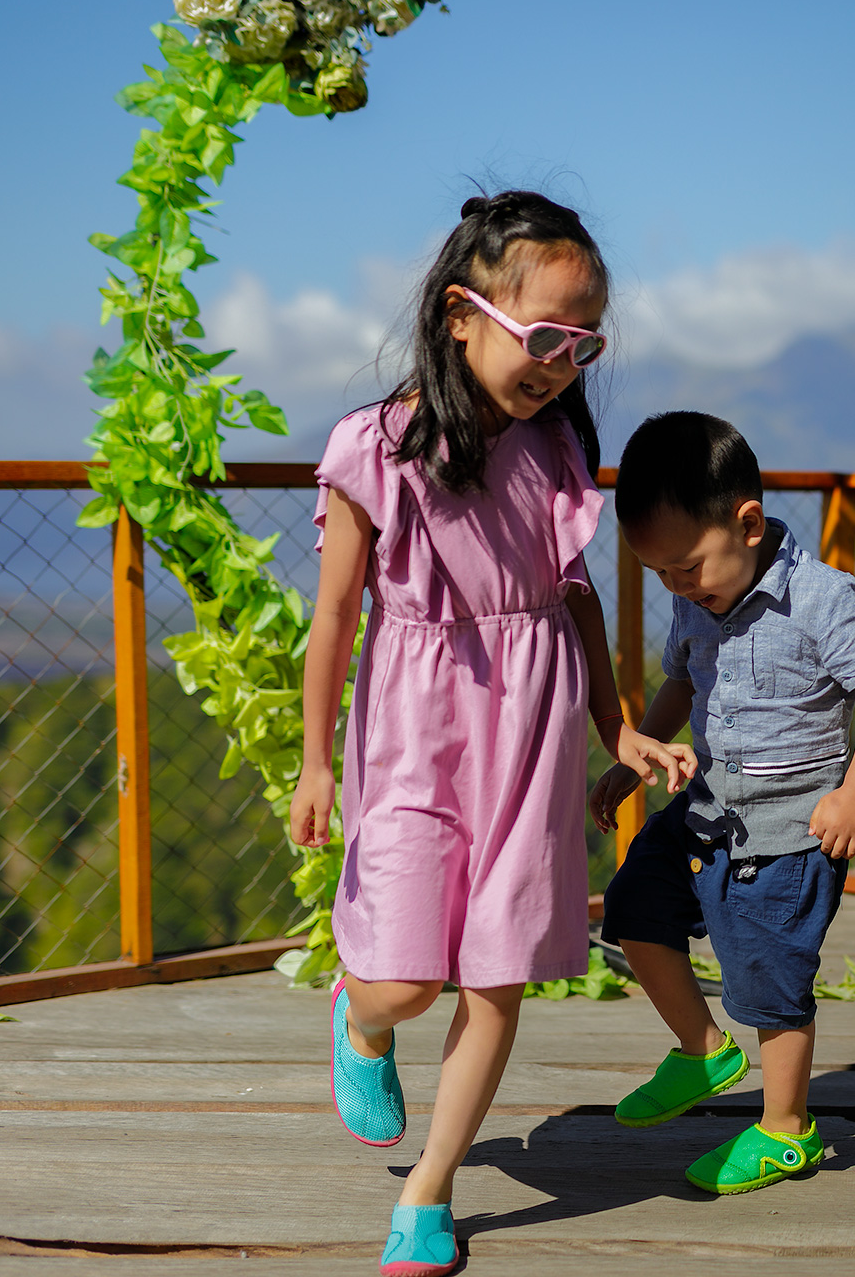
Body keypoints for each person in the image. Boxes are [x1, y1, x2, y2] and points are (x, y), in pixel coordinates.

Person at [290, 191, 694, 1277]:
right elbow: (335, 611)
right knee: (405, 979)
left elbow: (574, 599)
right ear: (465, 314)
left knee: (496, 969)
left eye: (583, 342)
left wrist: (618, 724)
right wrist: (318, 756)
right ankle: (361, 1019)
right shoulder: (373, 447)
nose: (562, 363)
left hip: (532, 723)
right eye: (545, 334)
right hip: (417, 722)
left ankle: (429, 1192)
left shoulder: (559, 446)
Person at [591, 411, 855, 1194]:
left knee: (769, 978)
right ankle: (702, 1050)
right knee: (633, 905)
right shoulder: (695, 596)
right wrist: (635, 754)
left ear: (750, 523)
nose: (677, 586)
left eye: (688, 567)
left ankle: (786, 1129)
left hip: (791, 832)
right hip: (706, 811)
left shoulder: (822, 600)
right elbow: (680, 680)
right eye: (659, 573)